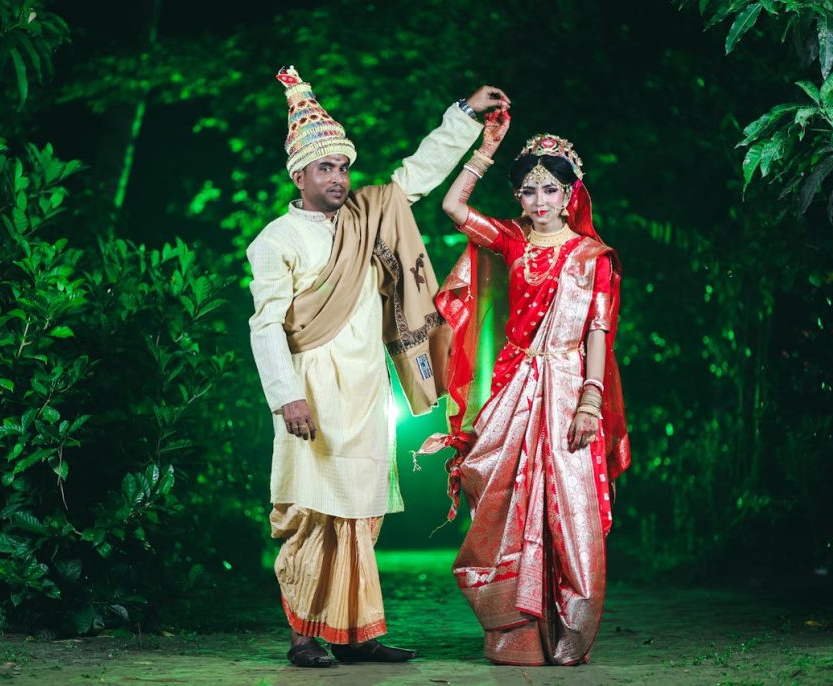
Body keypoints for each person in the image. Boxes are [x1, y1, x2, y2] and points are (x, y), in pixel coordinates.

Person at [247, 65, 510, 668]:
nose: (338, 178)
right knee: (311, 510)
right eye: (325, 168)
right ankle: (304, 637)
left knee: (362, 510)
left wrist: (465, 117)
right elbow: (265, 325)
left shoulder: (369, 217)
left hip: (367, 389)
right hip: (310, 391)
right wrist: (285, 396)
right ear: (299, 174)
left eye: (343, 166)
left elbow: (417, 173)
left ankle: (359, 634)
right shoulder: (274, 240)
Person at [416, 111, 631, 665]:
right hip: (514, 384)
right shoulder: (512, 240)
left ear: (569, 195)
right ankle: (514, 633)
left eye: (550, 190)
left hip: (566, 390)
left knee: (569, 505)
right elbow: (453, 208)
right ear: (518, 196)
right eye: (528, 190)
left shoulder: (592, 259)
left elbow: (597, 333)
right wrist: (486, 148)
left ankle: (568, 633)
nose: (539, 200)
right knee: (499, 492)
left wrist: (590, 401)